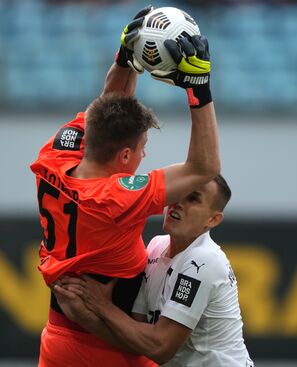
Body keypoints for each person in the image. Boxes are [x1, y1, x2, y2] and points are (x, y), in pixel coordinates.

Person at [30, 6, 220, 367]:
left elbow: (107, 107)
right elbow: (204, 167)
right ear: (124, 156)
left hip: (57, 337)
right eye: (142, 151)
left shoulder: (55, 153)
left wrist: (126, 57)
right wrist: (199, 87)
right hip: (108, 345)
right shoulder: (117, 197)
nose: (144, 157)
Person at [53, 175, 254, 367]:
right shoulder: (156, 246)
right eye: (180, 192)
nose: (178, 203)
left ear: (213, 220)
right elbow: (137, 338)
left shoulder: (203, 260)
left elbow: (161, 348)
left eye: (193, 198)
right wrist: (83, 316)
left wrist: (101, 305)